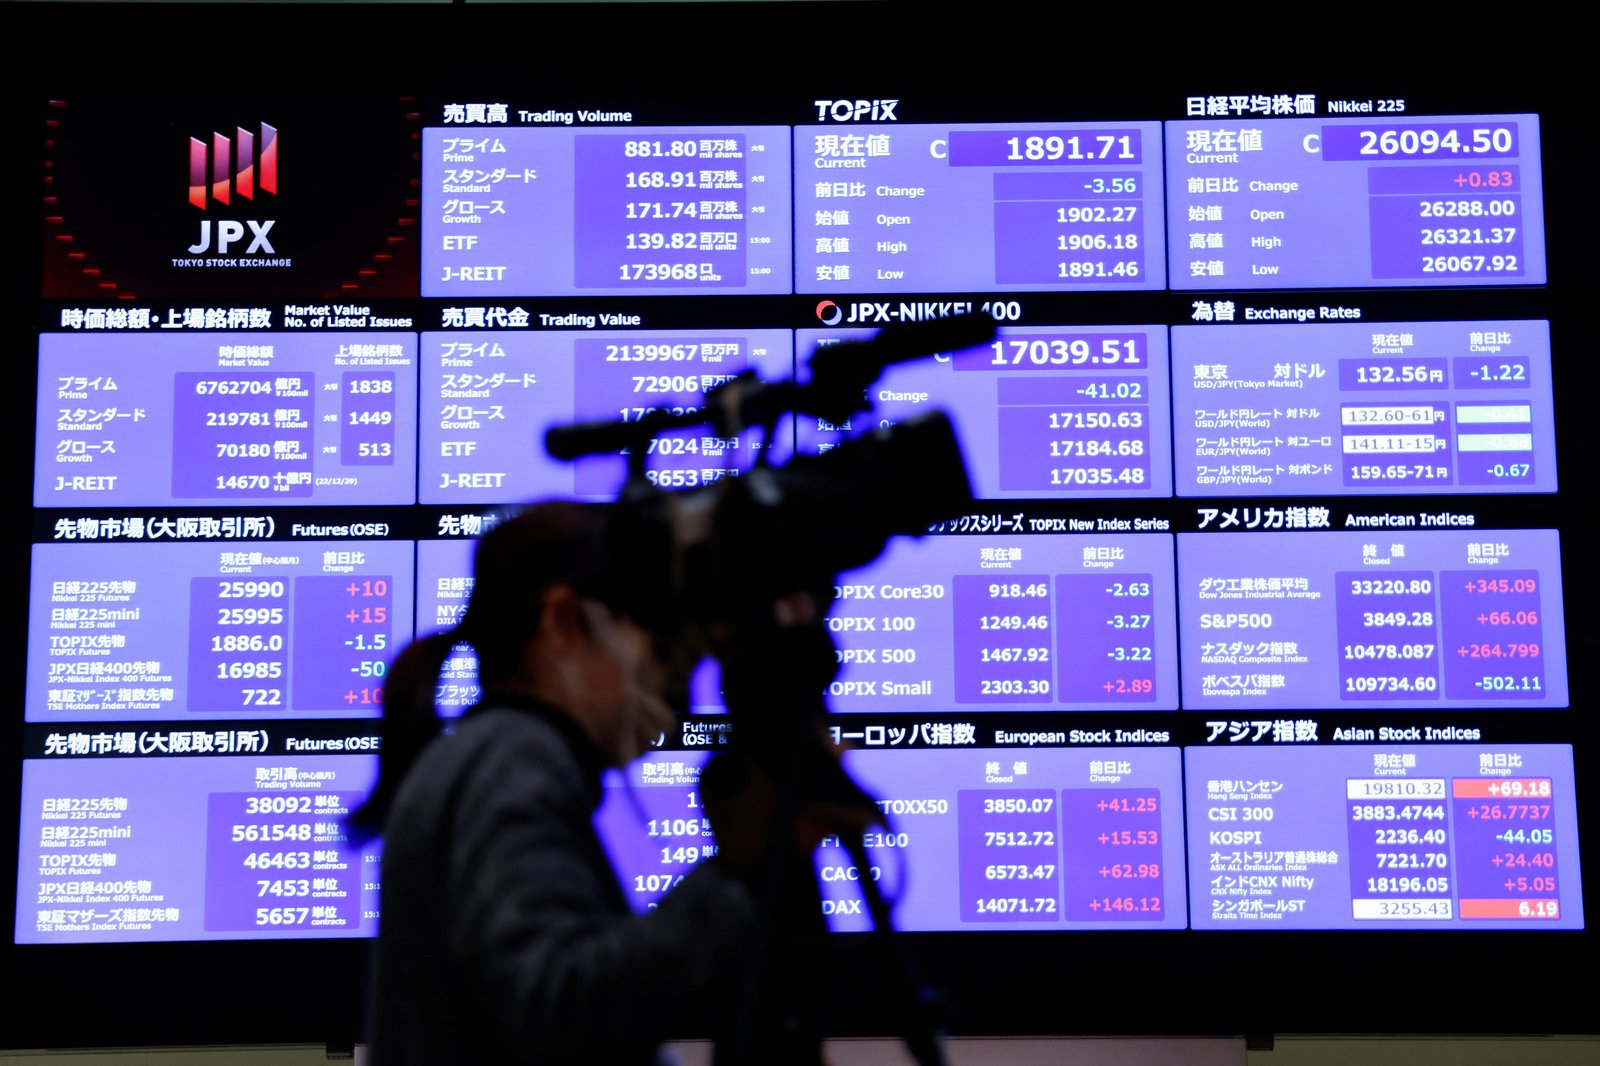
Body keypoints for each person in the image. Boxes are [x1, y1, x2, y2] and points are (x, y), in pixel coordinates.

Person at [353, 501, 759, 1065]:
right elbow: (557, 1004)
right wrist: (738, 875)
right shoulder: (510, 757)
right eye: (655, 638)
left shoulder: (488, 753)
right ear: (563, 621)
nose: (673, 678)